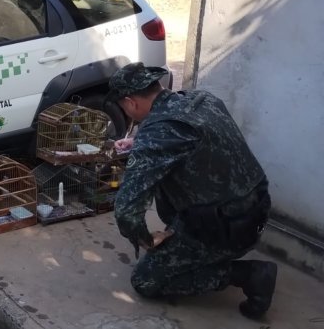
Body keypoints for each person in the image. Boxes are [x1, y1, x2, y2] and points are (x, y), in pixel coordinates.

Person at [106, 62, 275, 319]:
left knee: (146, 281)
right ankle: (194, 245)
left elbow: (126, 211)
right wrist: (139, 142)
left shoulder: (159, 132)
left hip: (225, 230)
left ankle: (248, 275)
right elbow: (192, 142)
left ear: (130, 103)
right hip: (256, 213)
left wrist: (146, 239)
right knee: (167, 183)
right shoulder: (202, 99)